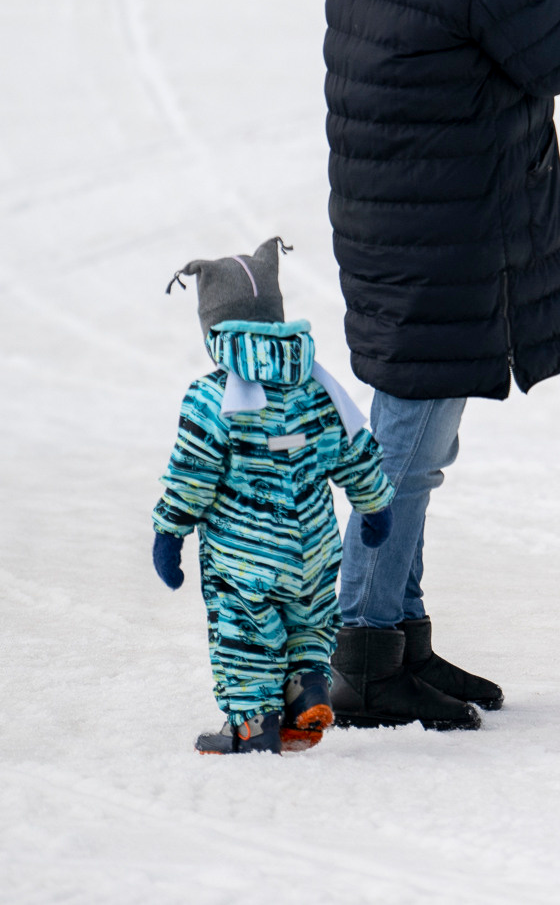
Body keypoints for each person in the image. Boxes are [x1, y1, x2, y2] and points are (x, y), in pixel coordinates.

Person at [322, 0, 560, 728]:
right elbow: (559, 53)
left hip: (388, 197)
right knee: (404, 441)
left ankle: (398, 635)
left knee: (419, 434)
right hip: (445, 214)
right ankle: (359, 650)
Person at [152, 238, 396, 755]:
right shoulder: (317, 387)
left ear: (214, 328)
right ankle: (307, 686)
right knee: (307, 624)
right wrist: (374, 504)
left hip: (246, 558)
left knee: (246, 633)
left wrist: (169, 531)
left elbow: (191, 476)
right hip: (314, 551)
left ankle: (253, 725)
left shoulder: (212, 397)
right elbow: (354, 448)